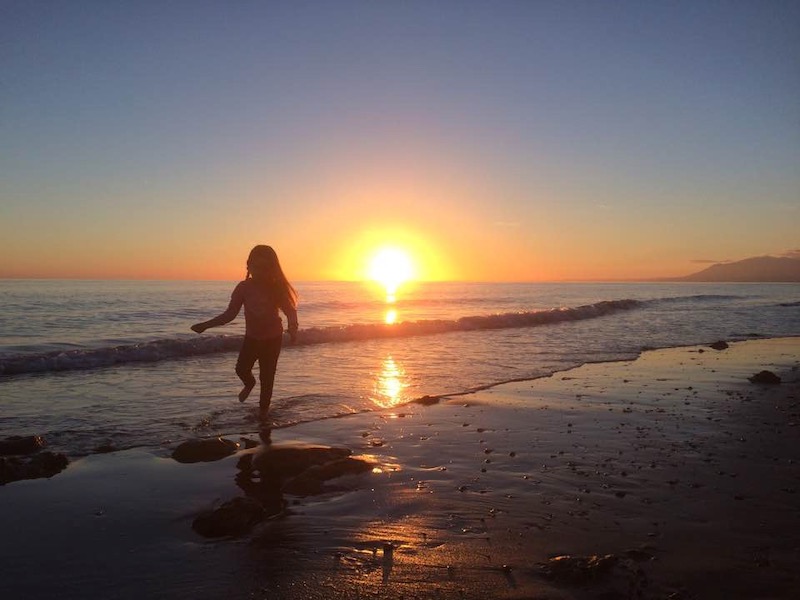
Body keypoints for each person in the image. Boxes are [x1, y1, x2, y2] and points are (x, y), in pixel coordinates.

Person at [191, 245, 298, 421]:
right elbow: (229, 314)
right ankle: (249, 383)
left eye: (264, 268)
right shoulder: (243, 288)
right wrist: (206, 325)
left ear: (271, 269)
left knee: (267, 376)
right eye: (255, 266)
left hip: (273, 338)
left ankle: (263, 413)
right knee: (241, 368)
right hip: (252, 338)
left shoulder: (275, 287)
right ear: (248, 266)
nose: (259, 272)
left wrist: (293, 328)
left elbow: (290, 311)